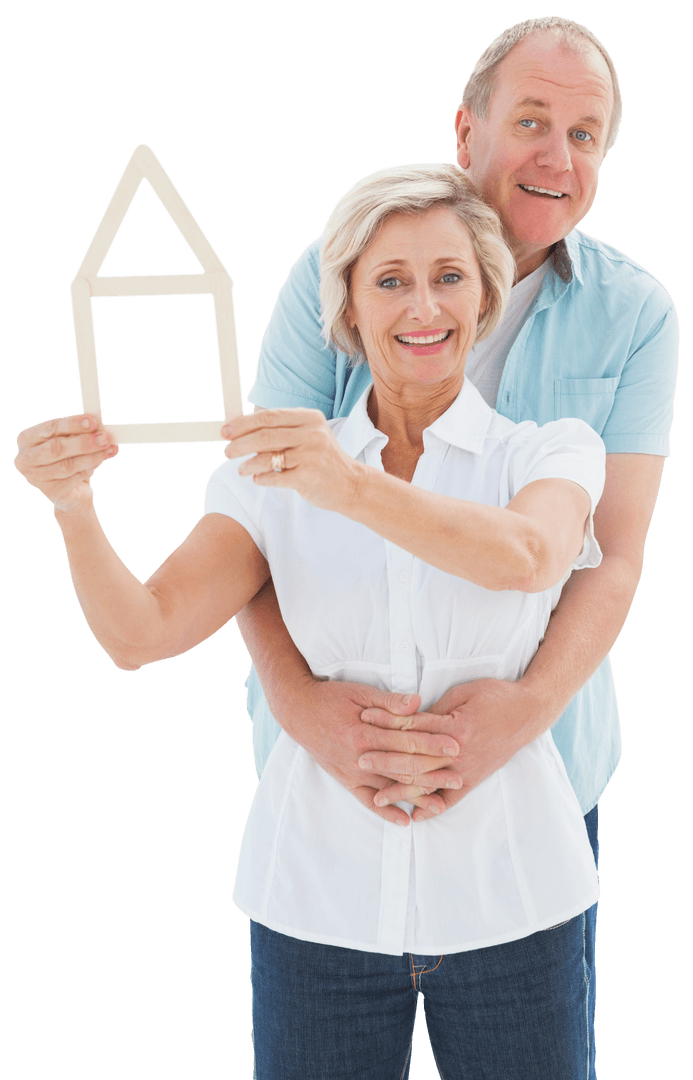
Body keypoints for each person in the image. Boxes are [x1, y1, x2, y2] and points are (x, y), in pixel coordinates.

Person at [15, 163, 607, 1078]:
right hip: (316, 911)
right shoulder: (273, 475)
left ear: (486, 294)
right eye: (390, 280)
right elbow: (140, 634)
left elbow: (527, 555)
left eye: (449, 276)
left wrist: (351, 485)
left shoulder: (551, 451)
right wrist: (72, 507)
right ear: (348, 310)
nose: (423, 306)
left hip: (513, 902)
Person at [236, 15, 680, 1070]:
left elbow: (611, 557)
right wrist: (303, 706)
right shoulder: (330, 272)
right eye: (531, 120)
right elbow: (252, 514)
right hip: (326, 777)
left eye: (586, 135)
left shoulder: (636, 316)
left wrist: (518, 719)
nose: (556, 157)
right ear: (465, 128)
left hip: (541, 776)